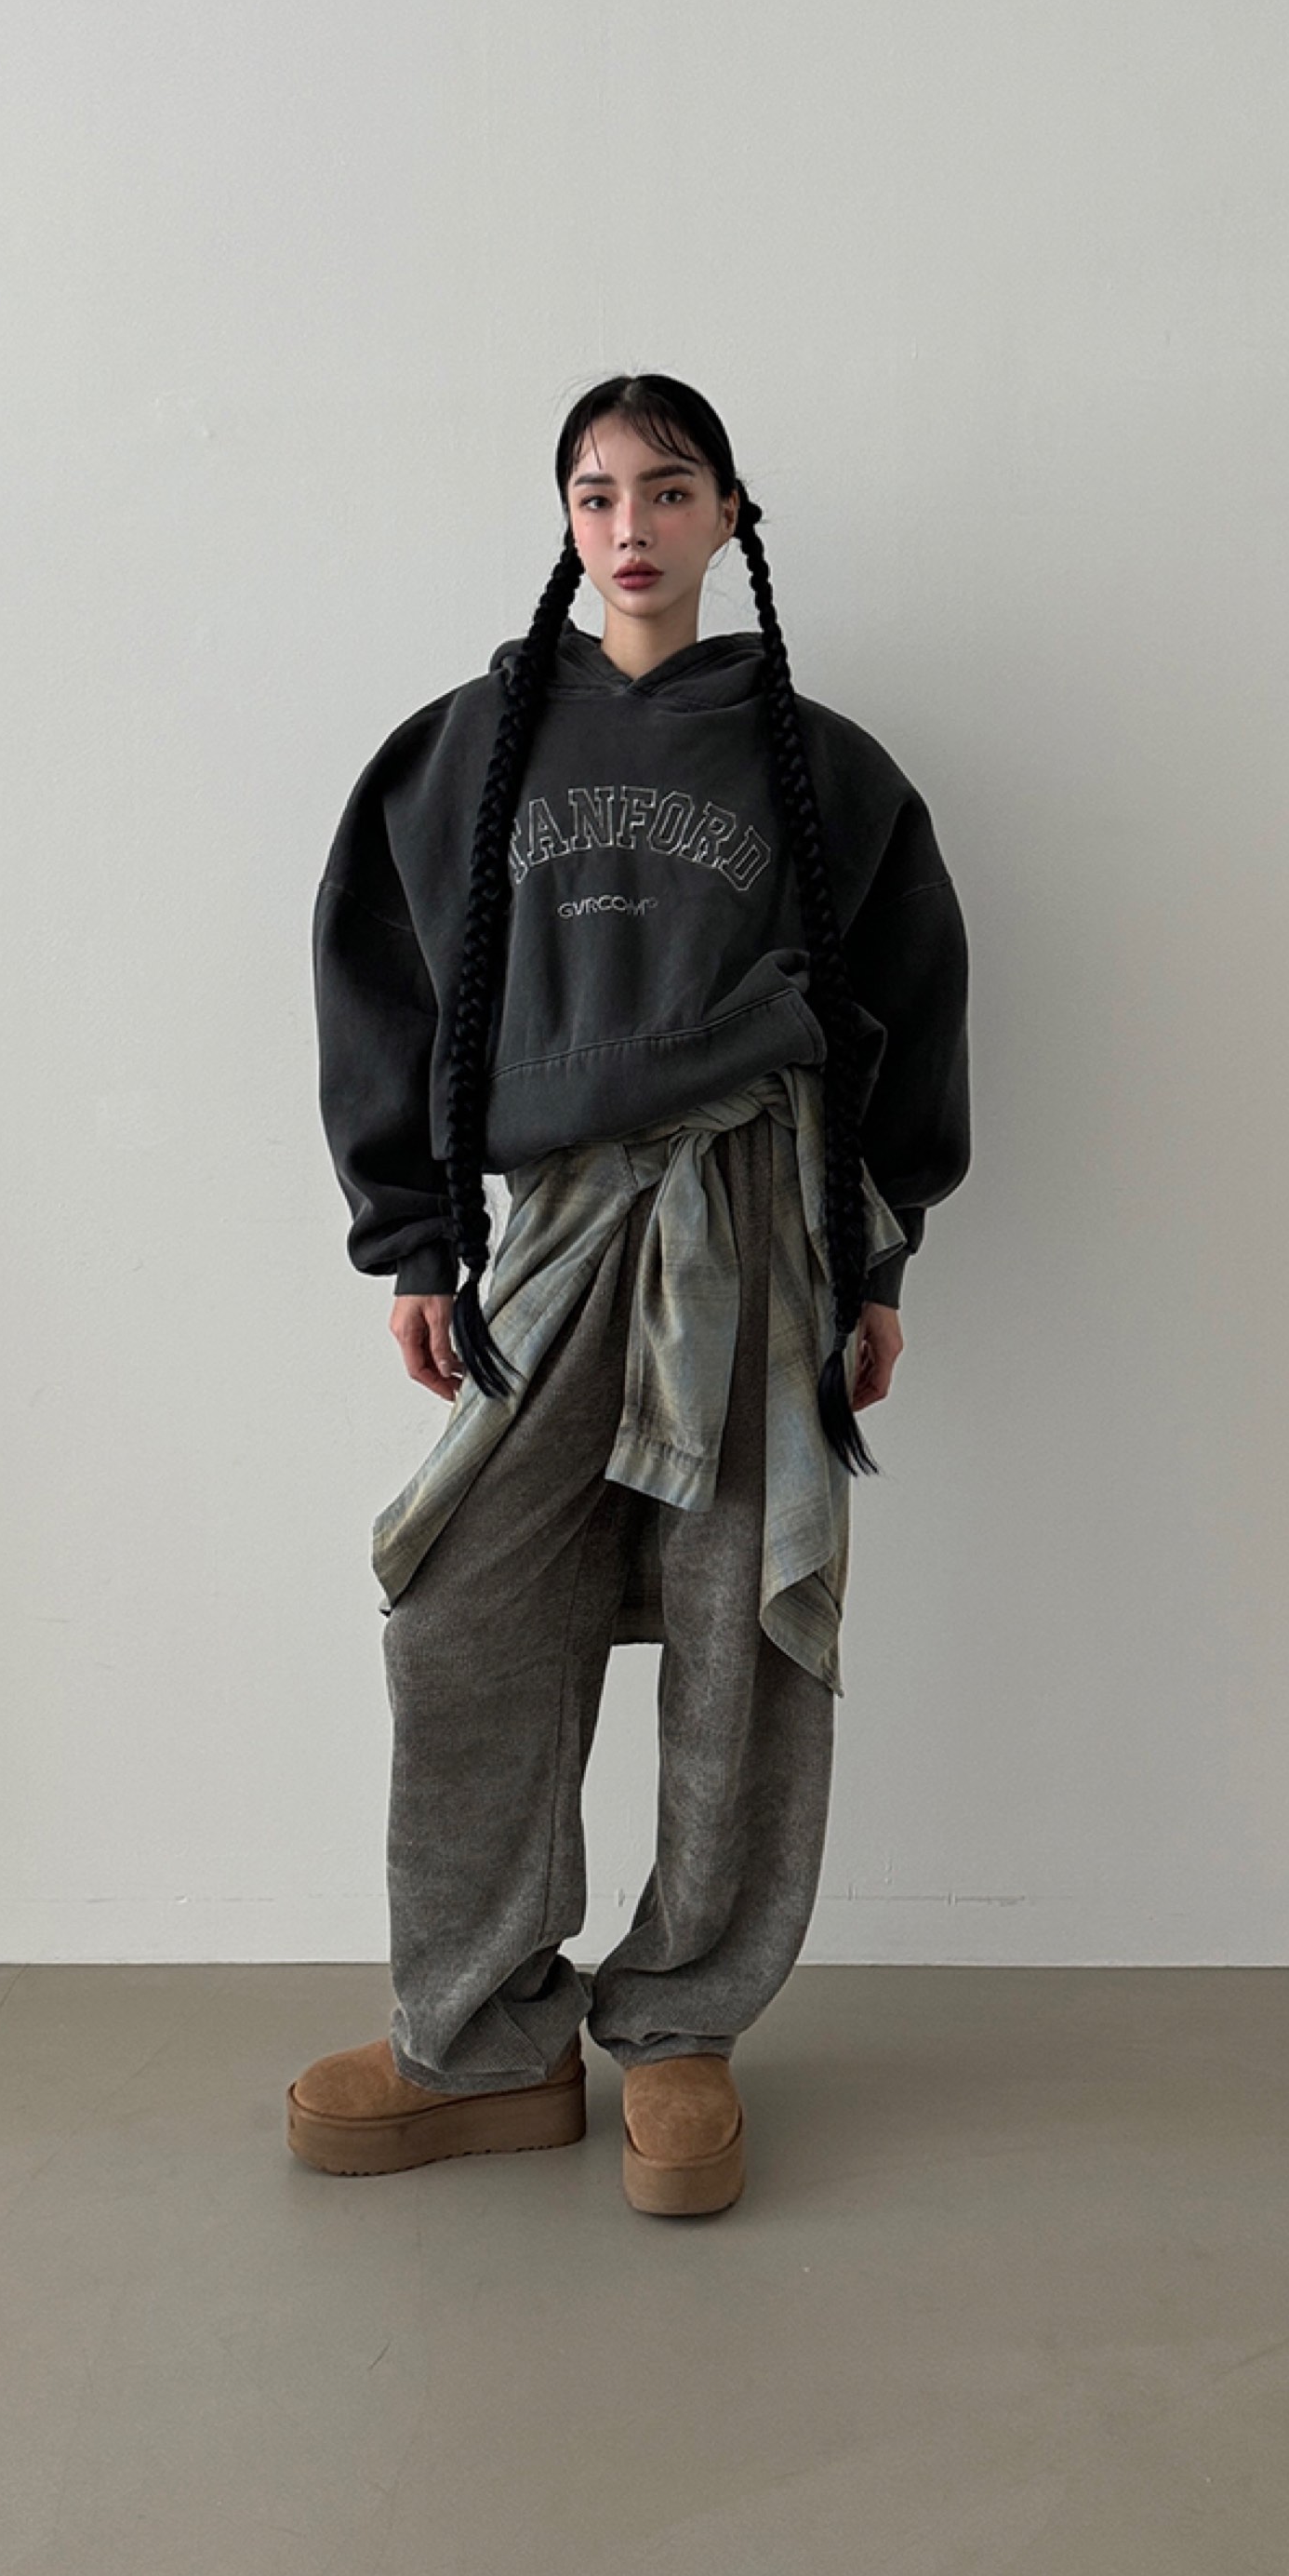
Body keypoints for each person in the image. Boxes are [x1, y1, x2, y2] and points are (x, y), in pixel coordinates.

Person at [286, 372, 971, 2215]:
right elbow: (383, 990)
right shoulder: (470, 746)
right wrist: (417, 1240)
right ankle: (482, 2035)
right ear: (566, 523)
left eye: (669, 490)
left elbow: (902, 1015)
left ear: (731, 515)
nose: (632, 525)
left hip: (760, 1228)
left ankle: (681, 2023)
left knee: (738, 1615)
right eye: (596, 494)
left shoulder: (822, 764)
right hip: (561, 1231)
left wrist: (877, 1258)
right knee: (462, 1608)